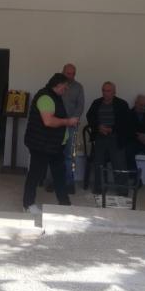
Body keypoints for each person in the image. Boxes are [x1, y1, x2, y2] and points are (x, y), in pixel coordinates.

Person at [22, 73, 79, 214]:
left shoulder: (55, 96)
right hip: (41, 144)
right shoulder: (45, 98)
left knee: (59, 175)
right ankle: (28, 205)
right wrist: (68, 122)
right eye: (65, 87)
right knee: (35, 174)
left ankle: (64, 204)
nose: (66, 90)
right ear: (58, 85)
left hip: (54, 144)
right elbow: (48, 121)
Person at [86, 82, 132, 194]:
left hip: (116, 137)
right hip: (100, 136)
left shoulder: (122, 104)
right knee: (99, 163)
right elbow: (90, 116)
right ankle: (99, 189)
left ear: (114, 92)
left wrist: (112, 129)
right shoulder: (97, 103)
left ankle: (122, 190)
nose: (105, 93)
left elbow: (126, 122)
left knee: (119, 164)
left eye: (108, 91)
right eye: (103, 90)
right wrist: (98, 127)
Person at [45, 63, 84, 195]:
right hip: (55, 125)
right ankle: (51, 182)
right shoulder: (55, 86)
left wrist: (72, 120)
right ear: (63, 72)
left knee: (69, 156)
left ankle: (69, 183)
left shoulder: (78, 87)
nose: (71, 76)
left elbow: (80, 106)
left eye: (73, 74)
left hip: (70, 126)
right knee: (53, 153)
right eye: (68, 73)